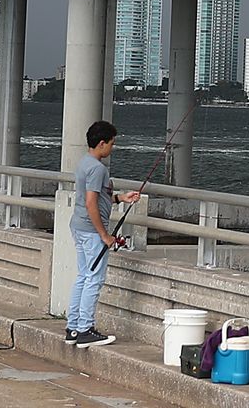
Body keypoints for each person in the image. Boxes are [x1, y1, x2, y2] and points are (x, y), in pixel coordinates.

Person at [66, 119, 141, 348]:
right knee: (94, 279)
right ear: (101, 143)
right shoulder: (98, 168)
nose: (112, 147)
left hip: (79, 226)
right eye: (111, 143)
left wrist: (120, 198)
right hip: (91, 231)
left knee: (83, 276)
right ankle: (86, 330)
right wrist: (104, 235)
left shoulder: (84, 163)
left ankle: (73, 329)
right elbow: (91, 204)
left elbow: (97, 197)